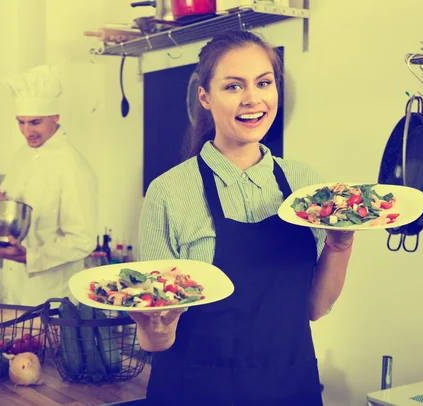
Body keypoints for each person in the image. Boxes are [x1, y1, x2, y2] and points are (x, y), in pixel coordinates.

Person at [128, 30, 354, 405]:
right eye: (233, 86)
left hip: (290, 387)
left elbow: (313, 308)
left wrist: (341, 242)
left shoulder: (305, 185)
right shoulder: (169, 192)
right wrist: (157, 328)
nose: (253, 99)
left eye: (264, 83)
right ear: (205, 97)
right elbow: (156, 338)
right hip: (197, 390)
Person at [0, 64, 98, 306]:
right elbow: (15, 204)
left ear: (55, 117)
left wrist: (29, 256)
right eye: (20, 123)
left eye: (34, 122)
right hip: (15, 289)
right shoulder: (23, 155)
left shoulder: (72, 165)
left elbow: (83, 240)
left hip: (51, 296)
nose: (26, 132)